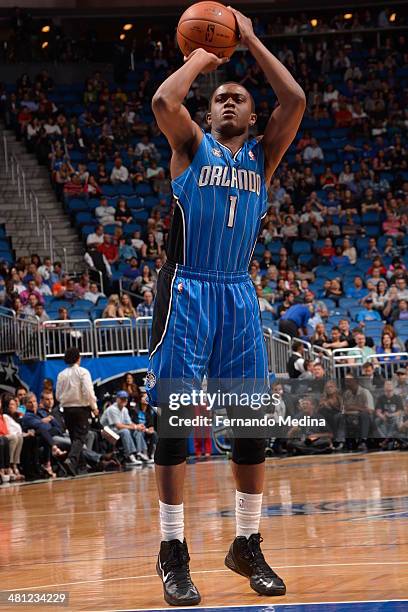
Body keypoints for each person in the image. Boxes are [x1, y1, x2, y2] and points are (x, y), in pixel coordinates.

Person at [148, 7, 305, 604]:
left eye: (239, 98)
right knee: (175, 425)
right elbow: (165, 103)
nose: (231, 103)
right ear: (209, 114)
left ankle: (247, 543)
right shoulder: (191, 147)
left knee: (249, 429)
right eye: (222, 100)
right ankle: (172, 552)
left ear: (252, 113)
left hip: (237, 293)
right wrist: (204, 57)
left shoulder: (263, 158)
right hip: (186, 288)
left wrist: (251, 39)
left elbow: (295, 100)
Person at [56, 347, 99, 476]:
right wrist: (94, 407)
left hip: (67, 410)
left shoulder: (61, 374)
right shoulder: (83, 372)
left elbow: (57, 395)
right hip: (81, 409)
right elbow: (88, 392)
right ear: (78, 358)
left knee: (74, 438)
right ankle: (71, 460)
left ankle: (80, 467)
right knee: (80, 437)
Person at [100, 390, 152, 464]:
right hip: (106, 432)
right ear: (117, 399)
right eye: (122, 399)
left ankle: (140, 453)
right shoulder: (112, 409)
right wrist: (135, 427)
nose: (124, 400)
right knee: (125, 431)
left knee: (137, 431)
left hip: (115, 430)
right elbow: (118, 426)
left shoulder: (124, 409)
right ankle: (129, 456)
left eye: (126, 399)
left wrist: (137, 426)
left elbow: (129, 423)